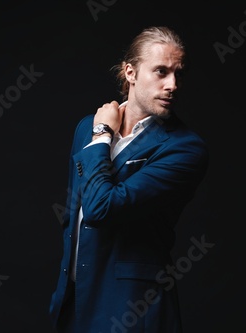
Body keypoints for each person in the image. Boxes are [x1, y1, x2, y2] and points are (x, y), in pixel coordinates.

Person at [49, 26, 209, 333]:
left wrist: (102, 136)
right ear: (131, 72)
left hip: (132, 306)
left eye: (179, 74)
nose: (173, 85)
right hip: (74, 299)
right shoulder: (86, 126)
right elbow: (76, 210)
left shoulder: (185, 148)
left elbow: (100, 209)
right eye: (161, 71)